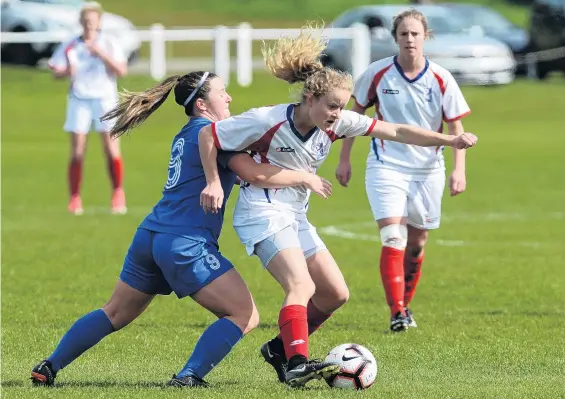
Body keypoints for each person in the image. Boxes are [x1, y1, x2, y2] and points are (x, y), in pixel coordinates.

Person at [197, 24, 477, 387]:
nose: (336, 113)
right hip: (261, 212)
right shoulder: (268, 119)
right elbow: (209, 134)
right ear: (309, 99)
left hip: (295, 214)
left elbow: (396, 131)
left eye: (341, 107)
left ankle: (279, 349)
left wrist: (449, 139)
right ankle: (298, 362)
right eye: (331, 105)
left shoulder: (338, 123)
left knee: (334, 294)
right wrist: (213, 181)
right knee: (300, 285)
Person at [30, 71, 333, 388]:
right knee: (244, 314)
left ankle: (49, 366)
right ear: (202, 104)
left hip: (150, 235)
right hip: (185, 243)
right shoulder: (217, 135)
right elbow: (254, 174)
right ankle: (189, 376)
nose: (228, 97)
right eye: (222, 92)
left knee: (115, 312)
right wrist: (305, 177)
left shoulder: (187, 133)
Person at [335, 9, 473, 332]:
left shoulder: (441, 78)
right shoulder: (377, 73)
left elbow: (457, 126)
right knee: (392, 236)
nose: (409, 39)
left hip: (428, 169)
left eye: (415, 33)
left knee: (417, 242)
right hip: (386, 165)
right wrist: (345, 159)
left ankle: (405, 304)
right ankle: (396, 312)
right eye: (403, 34)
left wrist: (459, 170)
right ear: (395, 38)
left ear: (425, 36)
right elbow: (353, 117)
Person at [48, 2, 128, 215]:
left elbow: (121, 70)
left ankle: (118, 193)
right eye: (86, 22)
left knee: (111, 149)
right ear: (81, 22)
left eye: (93, 21)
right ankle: (75, 197)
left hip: (105, 100)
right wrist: (65, 72)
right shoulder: (71, 44)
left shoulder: (109, 42)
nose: (89, 25)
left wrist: (100, 53)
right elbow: (56, 70)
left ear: (99, 22)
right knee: (77, 151)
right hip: (79, 99)